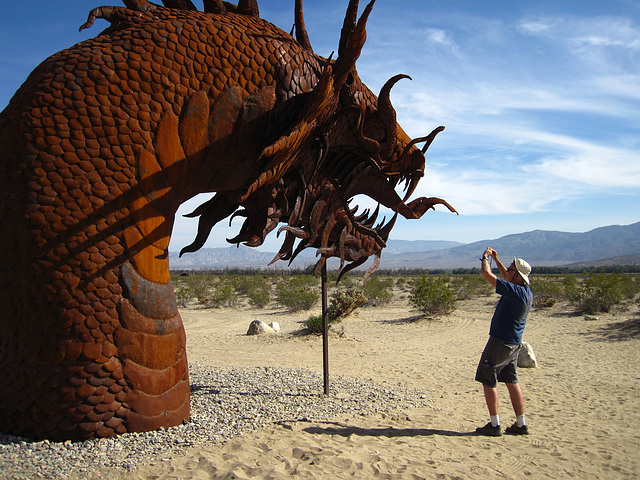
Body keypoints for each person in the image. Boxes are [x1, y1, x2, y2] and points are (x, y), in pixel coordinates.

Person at [475, 247, 533, 436]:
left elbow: (487, 274)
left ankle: (494, 425)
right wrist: (497, 259)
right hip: (514, 344)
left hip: (500, 342)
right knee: (511, 381)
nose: (507, 271)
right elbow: (506, 276)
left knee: (488, 379)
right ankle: (520, 423)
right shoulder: (526, 292)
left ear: (517, 276)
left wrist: (485, 258)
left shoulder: (515, 291)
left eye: (510, 269)